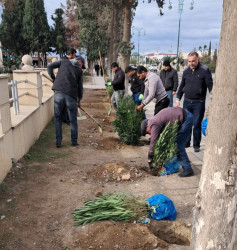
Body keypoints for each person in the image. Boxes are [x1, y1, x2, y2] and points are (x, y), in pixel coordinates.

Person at [175, 51, 213, 152]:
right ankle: (187, 143)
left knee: (196, 124)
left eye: (193, 61)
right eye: (189, 61)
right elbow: (182, 85)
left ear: (198, 60)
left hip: (198, 103)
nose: (191, 63)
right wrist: (178, 99)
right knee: (187, 123)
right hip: (187, 101)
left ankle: (196, 145)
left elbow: (210, 86)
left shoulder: (205, 70)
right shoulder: (186, 71)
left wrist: (213, 99)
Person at [140, 107, 194, 177]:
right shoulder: (154, 120)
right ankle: (184, 164)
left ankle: (188, 169)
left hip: (186, 119)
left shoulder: (154, 123)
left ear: (147, 126)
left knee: (178, 145)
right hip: (184, 117)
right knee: (176, 144)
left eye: (147, 132)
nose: (149, 134)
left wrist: (150, 157)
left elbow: (153, 142)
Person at [47, 48, 83, 148]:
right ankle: (74, 142)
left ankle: (58, 142)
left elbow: (49, 66)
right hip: (71, 95)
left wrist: (53, 79)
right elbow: (80, 87)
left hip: (59, 93)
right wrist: (79, 100)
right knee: (73, 119)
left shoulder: (62, 62)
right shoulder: (79, 70)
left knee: (58, 118)